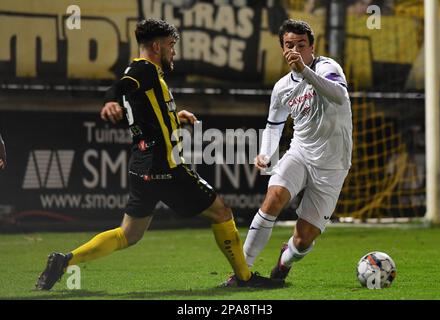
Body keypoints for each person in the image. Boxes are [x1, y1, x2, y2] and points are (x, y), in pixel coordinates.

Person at [36, 18, 282, 290]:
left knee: (128, 234)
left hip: (142, 167)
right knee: (222, 212)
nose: (173, 51)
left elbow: (146, 110)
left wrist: (175, 115)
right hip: (166, 166)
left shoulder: (145, 74)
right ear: (156, 46)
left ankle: (64, 260)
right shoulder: (144, 70)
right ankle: (244, 279)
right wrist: (109, 99)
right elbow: (119, 87)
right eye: (170, 45)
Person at [223, 19, 352, 285]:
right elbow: (274, 125)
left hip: (333, 163)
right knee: (273, 199)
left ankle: (285, 260)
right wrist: (266, 153)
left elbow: (339, 96)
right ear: (282, 48)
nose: (294, 50)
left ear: (312, 47)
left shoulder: (327, 67)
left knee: (303, 240)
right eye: (289, 45)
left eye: (301, 45)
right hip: (300, 153)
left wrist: (305, 71)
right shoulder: (282, 87)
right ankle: (241, 272)